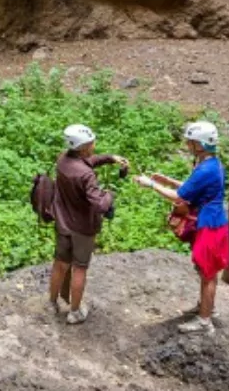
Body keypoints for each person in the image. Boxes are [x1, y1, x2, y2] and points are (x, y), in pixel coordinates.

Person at [136, 120, 229, 335]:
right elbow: (191, 187)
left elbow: (179, 196)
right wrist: (167, 180)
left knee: (207, 273)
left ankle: (205, 320)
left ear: (200, 144)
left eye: (191, 142)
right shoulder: (211, 164)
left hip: (210, 225)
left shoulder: (206, 169)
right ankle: (205, 308)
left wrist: (151, 185)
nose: (188, 145)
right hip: (212, 221)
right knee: (206, 270)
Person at [49, 123, 127, 324]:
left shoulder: (62, 160)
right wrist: (110, 194)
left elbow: (86, 163)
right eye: (91, 142)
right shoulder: (86, 175)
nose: (94, 144)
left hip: (63, 223)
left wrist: (109, 158)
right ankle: (75, 311)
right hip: (82, 228)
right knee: (80, 268)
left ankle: (52, 301)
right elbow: (100, 204)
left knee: (60, 263)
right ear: (83, 147)